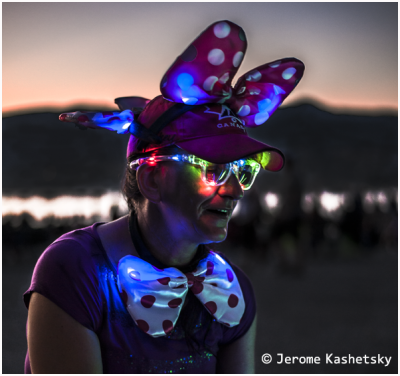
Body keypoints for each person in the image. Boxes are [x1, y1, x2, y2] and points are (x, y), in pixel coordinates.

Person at [24, 20, 304, 373]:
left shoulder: (231, 293)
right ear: (152, 179)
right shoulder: (76, 271)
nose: (234, 191)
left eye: (243, 172)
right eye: (214, 170)